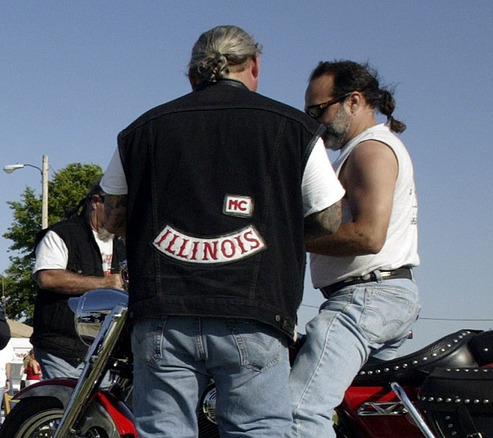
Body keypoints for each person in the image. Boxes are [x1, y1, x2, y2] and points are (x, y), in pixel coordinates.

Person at [100, 25, 344, 438]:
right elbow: (328, 219)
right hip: (254, 309)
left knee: (163, 431)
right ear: (254, 65)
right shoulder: (294, 129)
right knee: (258, 430)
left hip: (163, 310)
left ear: (193, 75)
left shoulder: (141, 130)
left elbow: (112, 218)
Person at [287, 61, 422, 438]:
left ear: (354, 101)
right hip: (381, 296)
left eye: (318, 110)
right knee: (360, 417)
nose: (313, 121)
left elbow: (368, 236)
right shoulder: (365, 149)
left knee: (299, 412)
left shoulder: (370, 150)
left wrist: (287, 237)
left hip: (366, 297)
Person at [30, 181, 126, 379]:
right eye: (116, 206)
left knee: (103, 410)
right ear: (96, 201)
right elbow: (47, 277)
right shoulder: (62, 234)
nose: (121, 214)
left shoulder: (122, 243)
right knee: (66, 405)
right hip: (63, 348)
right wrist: (105, 284)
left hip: (106, 352)